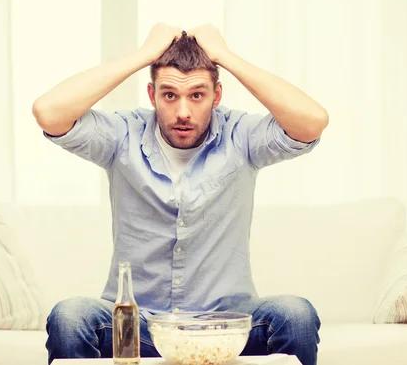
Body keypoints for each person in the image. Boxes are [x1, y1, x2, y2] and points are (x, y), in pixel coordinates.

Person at [33, 23, 329, 365]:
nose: (183, 112)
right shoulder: (122, 136)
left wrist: (226, 57)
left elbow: (313, 121)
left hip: (226, 325)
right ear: (152, 95)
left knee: (296, 314)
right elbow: (48, 112)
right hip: (138, 327)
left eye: (197, 95)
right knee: (70, 317)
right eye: (169, 95)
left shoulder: (241, 136)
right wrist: (143, 56)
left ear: (216, 96)